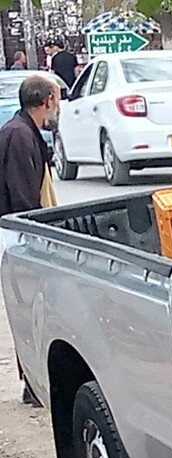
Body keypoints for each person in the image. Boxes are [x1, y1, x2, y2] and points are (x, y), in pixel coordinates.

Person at [0, 74, 59, 406]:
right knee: (29, 310)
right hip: (21, 238)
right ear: (47, 101)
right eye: (57, 100)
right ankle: (34, 385)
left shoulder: (24, 131)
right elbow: (24, 198)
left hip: (21, 236)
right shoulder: (20, 136)